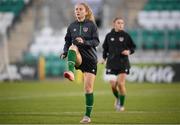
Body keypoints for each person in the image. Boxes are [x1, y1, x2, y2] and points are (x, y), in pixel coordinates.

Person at [60, 2, 100, 124]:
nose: (77, 11)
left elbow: (96, 42)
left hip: (90, 60)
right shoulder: (72, 26)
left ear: (86, 11)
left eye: (80, 9)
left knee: (88, 89)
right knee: (73, 47)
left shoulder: (92, 25)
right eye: (76, 9)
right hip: (78, 57)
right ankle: (71, 72)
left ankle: (87, 116)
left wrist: (84, 42)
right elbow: (67, 41)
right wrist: (65, 51)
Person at [101, 17, 136, 111]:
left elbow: (133, 47)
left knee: (120, 84)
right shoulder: (109, 36)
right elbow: (105, 49)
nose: (121, 25)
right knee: (113, 86)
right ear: (114, 24)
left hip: (123, 63)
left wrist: (129, 51)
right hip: (111, 64)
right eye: (119, 23)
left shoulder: (126, 35)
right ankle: (117, 98)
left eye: (122, 23)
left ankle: (121, 105)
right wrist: (104, 59)